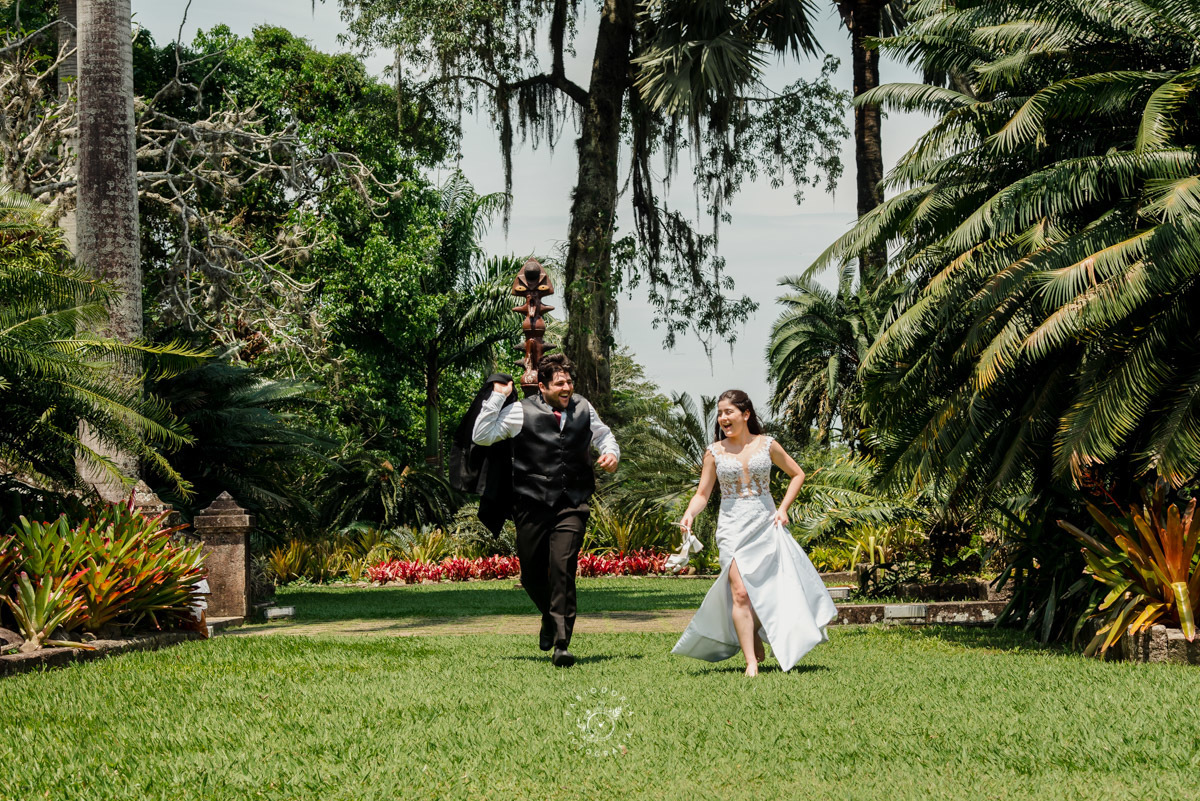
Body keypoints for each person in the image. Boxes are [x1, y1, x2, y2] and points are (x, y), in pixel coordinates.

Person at [672, 390, 836, 676]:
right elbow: (702, 493)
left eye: (729, 412)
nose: (723, 418)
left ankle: (756, 630)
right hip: (732, 526)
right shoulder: (714, 452)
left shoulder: (767, 444)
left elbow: (797, 474)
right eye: (720, 413)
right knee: (740, 591)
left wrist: (783, 508)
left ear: (745, 414)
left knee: (768, 587)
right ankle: (750, 662)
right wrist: (689, 513)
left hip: (765, 522)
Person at [472, 353, 619, 667]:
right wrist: (497, 398)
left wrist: (610, 453)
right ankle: (549, 618)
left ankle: (562, 644)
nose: (567, 387)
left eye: (569, 381)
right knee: (531, 575)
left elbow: (604, 436)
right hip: (531, 504)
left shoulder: (583, 407)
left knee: (563, 567)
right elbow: (481, 436)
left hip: (573, 502)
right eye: (559, 383)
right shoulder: (519, 412)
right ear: (542, 386)